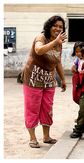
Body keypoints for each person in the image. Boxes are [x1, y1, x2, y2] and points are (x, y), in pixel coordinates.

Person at [22, 15, 67, 148]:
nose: (58, 29)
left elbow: (58, 61)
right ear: (49, 26)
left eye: (61, 27)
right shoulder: (40, 38)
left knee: (47, 109)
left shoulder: (59, 43)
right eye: (55, 26)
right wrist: (55, 42)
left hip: (49, 81)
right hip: (33, 79)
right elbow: (38, 50)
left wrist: (63, 79)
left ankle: (46, 137)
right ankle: (32, 138)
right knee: (32, 108)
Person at [69, 41, 84, 138]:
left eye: (81, 51)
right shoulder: (77, 60)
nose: (79, 53)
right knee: (82, 106)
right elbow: (74, 68)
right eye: (76, 51)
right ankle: (83, 125)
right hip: (79, 86)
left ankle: (81, 128)